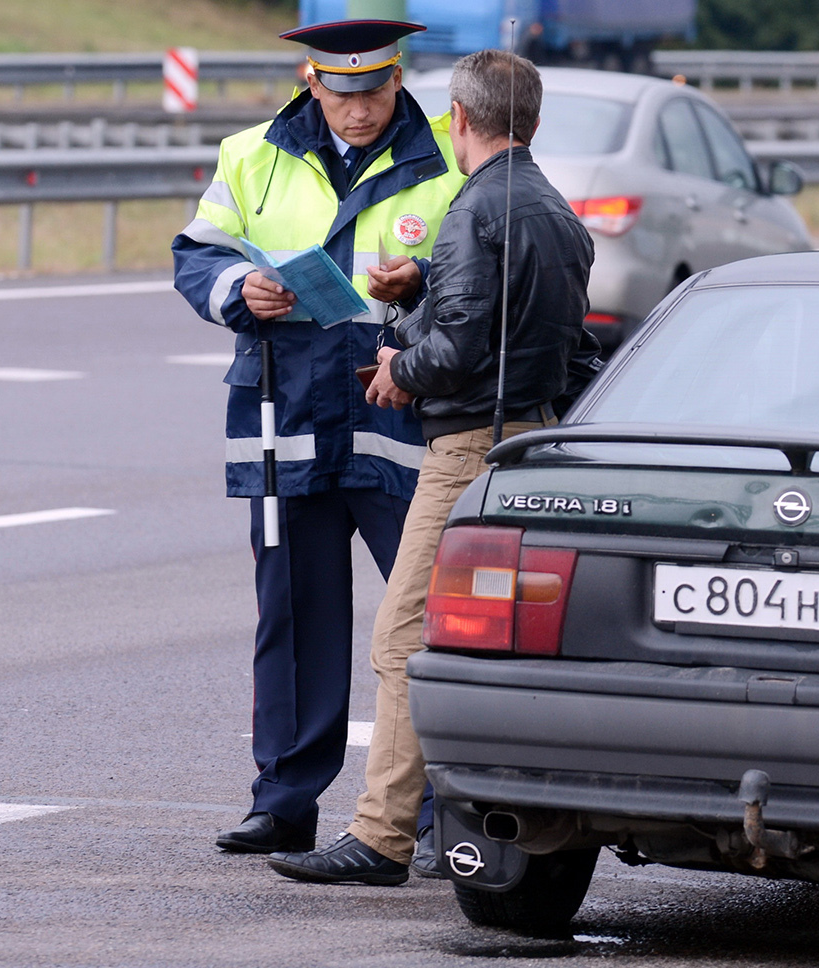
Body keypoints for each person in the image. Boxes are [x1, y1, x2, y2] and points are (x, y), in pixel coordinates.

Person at [267, 48, 598, 885]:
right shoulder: (553, 210)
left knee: (404, 636)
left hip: (465, 449)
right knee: (483, 643)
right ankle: (465, 819)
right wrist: (421, 289)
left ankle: (382, 836)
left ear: (458, 115)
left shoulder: (478, 207)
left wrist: (396, 367)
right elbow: (530, 334)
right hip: (532, 439)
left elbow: (463, 346)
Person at [171, 19, 465, 863]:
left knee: (428, 624)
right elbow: (198, 253)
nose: (360, 111)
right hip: (285, 414)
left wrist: (424, 279)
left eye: (375, 92)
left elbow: (483, 265)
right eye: (342, 95)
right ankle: (284, 801)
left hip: (397, 416)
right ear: (311, 82)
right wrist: (239, 288)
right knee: (294, 618)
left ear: (397, 79)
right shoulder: (251, 153)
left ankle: (441, 806)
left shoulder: (445, 155)